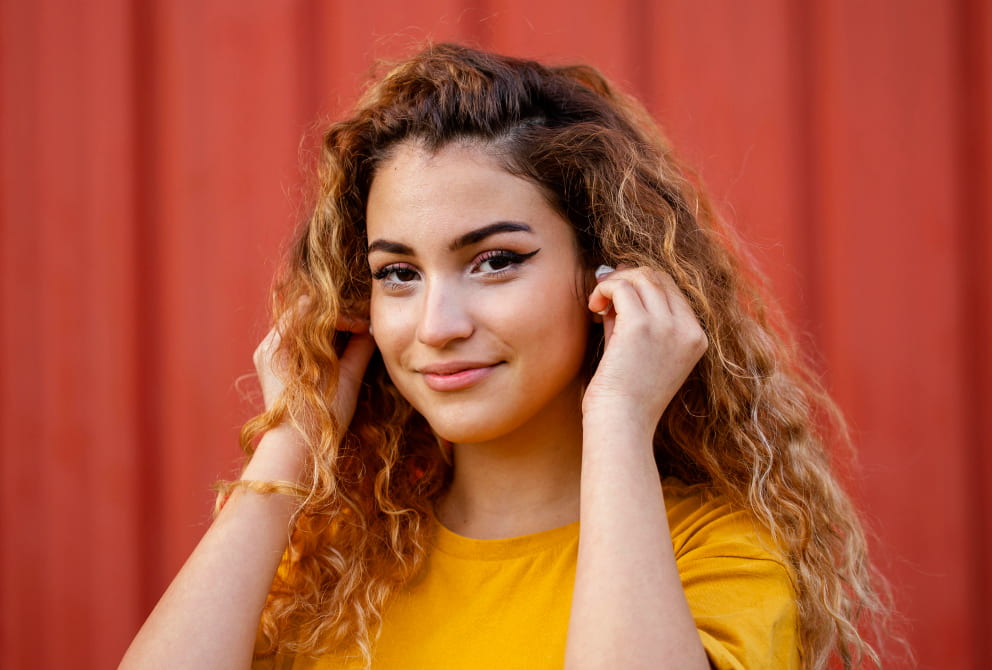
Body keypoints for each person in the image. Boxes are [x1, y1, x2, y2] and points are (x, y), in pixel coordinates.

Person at [120, 43, 887, 670]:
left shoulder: (720, 554)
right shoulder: (325, 565)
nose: (437, 325)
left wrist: (619, 415)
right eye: (398, 273)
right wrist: (295, 435)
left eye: (495, 262)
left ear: (607, 272)